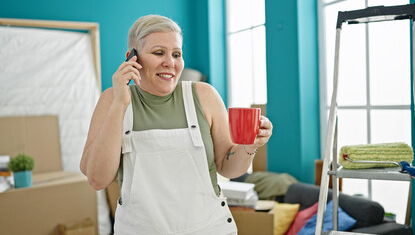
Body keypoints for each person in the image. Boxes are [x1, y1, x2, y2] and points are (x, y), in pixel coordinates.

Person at [80, 14, 273, 235]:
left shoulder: (204, 96)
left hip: (209, 229)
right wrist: (119, 104)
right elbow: (97, 179)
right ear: (132, 58)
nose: (170, 63)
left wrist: (251, 145)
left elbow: (229, 167)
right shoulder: (112, 100)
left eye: (176, 54)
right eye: (158, 53)